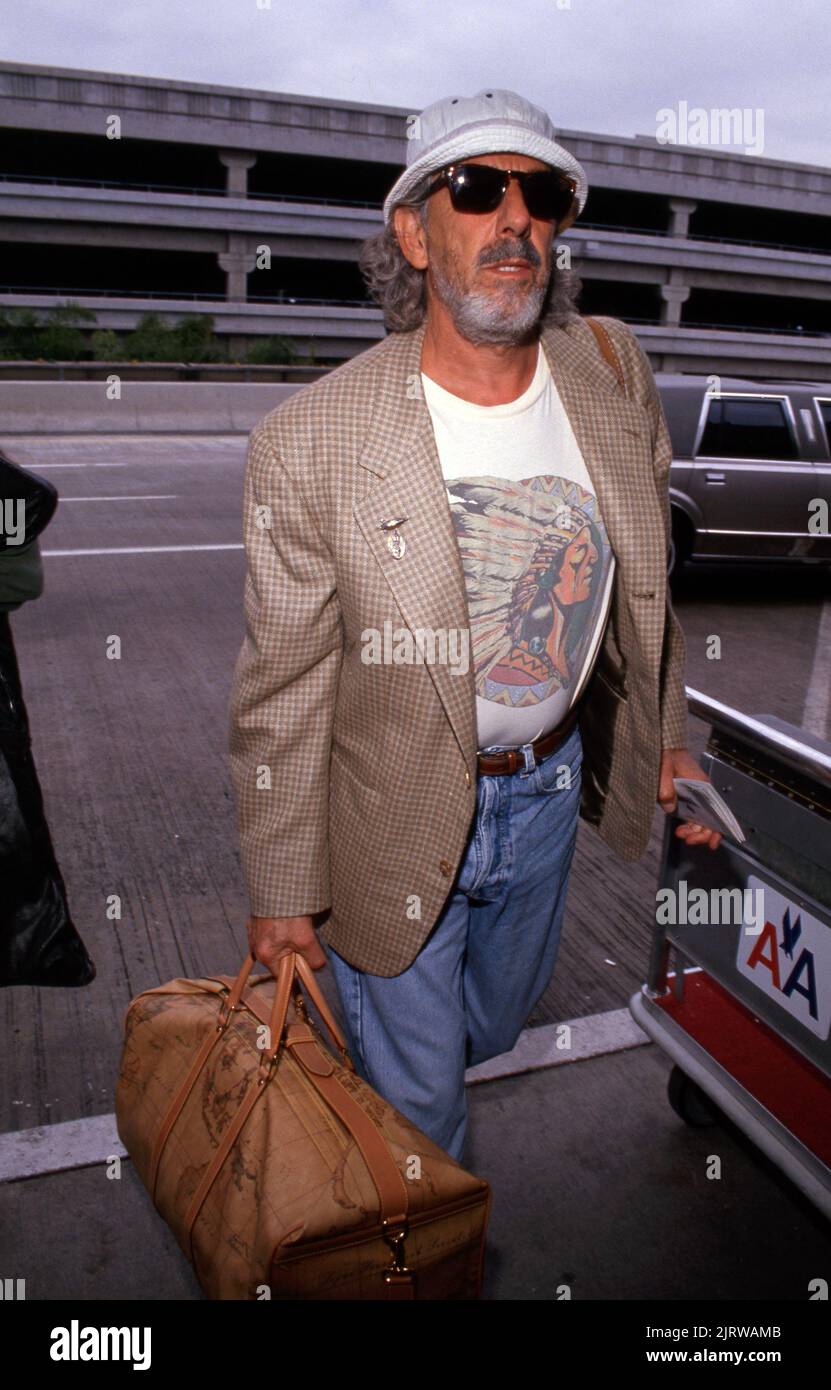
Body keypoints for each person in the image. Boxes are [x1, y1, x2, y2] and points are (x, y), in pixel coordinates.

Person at [227, 89, 720, 1163]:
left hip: (545, 796)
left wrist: (668, 739)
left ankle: (376, 1070)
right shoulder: (311, 440)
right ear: (413, 228)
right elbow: (283, 695)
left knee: (484, 1029)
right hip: (387, 807)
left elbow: (647, 593)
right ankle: (414, 1259)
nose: (514, 220)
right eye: (475, 188)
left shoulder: (610, 370)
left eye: (539, 194)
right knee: (424, 1120)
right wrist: (280, 894)